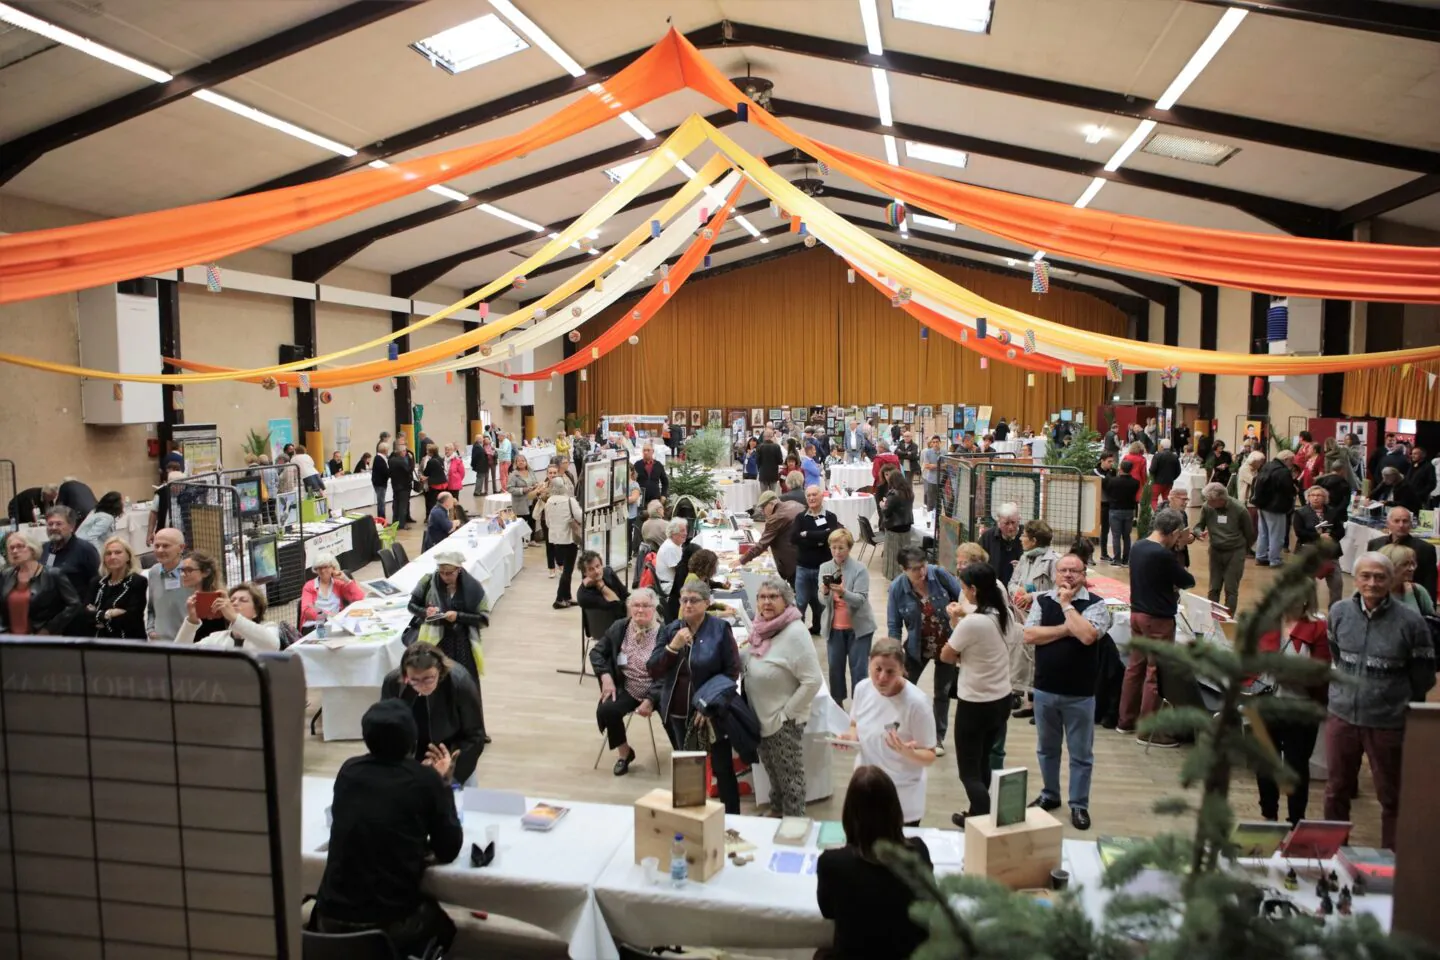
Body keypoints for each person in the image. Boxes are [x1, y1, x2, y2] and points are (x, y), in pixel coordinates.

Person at [311, 699, 463, 957]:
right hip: (388, 925)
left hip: (328, 920)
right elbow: (449, 848)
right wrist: (442, 785)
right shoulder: (425, 780)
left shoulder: (349, 770)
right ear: (412, 739)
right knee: (444, 927)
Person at [1323, 552, 1435, 848]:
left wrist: (1389, 698)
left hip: (1387, 722)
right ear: (1356, 578)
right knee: (1336, 791)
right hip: (1342, 716)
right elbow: (1336, 655)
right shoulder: (1339, 612)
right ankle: (1335, 857)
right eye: (1366, 576)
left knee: (1392, 795)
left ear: (1391, 580)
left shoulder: (1411, 622)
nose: (1372, 583)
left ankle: (1392, 862)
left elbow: (1423, 676)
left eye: (1380, 577)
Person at [1022, 553, 1111, 831]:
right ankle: (1050, 794)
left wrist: (1066, 606)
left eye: (1075, 571)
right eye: (1063, 571)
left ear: (1084, 575)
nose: (1068, 575)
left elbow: (1087, 636)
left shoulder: (1097, 605)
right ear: (1055, 574)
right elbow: (1029, 635)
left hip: (1080, 693)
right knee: (1047, 749)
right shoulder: (1041, 600)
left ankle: (1079, 805)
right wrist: (1066, 628)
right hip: (1045, 689)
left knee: (1081, 754)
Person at [816, 765, 933, 960]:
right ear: (895, 809)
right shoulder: (918, 851)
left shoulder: (832, 864)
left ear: (850, 814)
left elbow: (828, 911)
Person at [648, 580, 745, 813]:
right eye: (684, 600)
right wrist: (673, 646)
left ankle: (732, 818)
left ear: (706, 603)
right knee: (687, 766)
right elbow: (653, 668)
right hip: (679, 711)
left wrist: (708, 705)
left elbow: (731, 672)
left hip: (713, 711)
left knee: (722, 768)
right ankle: (690, 816)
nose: (688, 605)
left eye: (694, 600)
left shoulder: (719, 630)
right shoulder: (671, 629)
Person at [939, 562, 1017, 826]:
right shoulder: (1005, 614)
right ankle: (977, 812)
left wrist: (956, 624)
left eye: (964, 588)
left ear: (973, 590)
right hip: (1001, 700)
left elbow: (947, 655)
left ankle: (986, 821)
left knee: (968, 772)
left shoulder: (972, 623)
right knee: (983, 761)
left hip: (975, 703)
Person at [744, 577, 824, 817]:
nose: (766, 602)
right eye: (762, 597)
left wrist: (786, 715)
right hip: (762, 715)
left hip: (782, 721)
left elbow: (813, 680)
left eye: (773, 597)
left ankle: (793, 823)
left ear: (786, 601)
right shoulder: (762, 626)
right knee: (773, 771)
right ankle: (777, 812)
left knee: (790, 778)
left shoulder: (795, 632)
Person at [1117, 509, 1196, 744]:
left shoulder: (1139, 546)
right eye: (1178, 535)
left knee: (1134, 668)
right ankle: (1149, 731)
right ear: (1172, 533)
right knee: (1156, 674)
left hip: (1137, 614)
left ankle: (1126, 721)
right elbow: (1187, 581)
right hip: (1158, 619)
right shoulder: (1162, 555)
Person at [1254, 589, 1330, 826]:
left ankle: (1296, 820)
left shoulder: (1318, 628)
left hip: (1301, 707)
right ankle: (1268, 816)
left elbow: (1320, 674)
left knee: (1296, 767)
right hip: (1265, 703)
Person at [887, 547, 963, 754]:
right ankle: (897, 731)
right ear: (903, 569)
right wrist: (895, 657)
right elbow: (894, 625)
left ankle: (937, 738)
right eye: (915, 570)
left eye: (923, 567)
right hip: (916, 647)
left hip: (947, 644)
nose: (922, 573)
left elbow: (963, 600)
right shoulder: (896, 589)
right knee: (902, 688)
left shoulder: (939, 575)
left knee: (942, 692)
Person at [381, 641, 486, 784]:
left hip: (451, 758)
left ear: (440, 671)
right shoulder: (393, 683)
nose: (422, 686)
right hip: (410, 762)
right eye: (414, 680)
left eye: (428, 679)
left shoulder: (460, 682)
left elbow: (475, 735)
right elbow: (386, 728)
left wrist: (453, 766)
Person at [591, 588, 663, 776]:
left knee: (677, 715)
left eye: (645, 605)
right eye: (636, 605)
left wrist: (651, 700)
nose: (640, 610)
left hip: (658, 691)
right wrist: (605, 676)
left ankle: (686, 756)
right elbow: (596, 652)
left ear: (654, 608)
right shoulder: (620, 628)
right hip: (629, 688)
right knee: (607, 709)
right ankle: (624, 752)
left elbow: (669, 675)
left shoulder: (664, 633)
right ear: (629, 607)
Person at [406, 549, 489, 706]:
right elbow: (411, 605)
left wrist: (458, 616)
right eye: (441, 572)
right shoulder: (427, 582)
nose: (445, 577)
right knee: (438, 688)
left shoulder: (474, 588)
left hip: (463, 644)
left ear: (459, 569)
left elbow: (483, 619)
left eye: (449, 573)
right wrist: (426, 612)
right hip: (437, 644)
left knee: (465, 687)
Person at [818, 528, 875, 704]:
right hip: (834, 628)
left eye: (841, 548)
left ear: (849, 548)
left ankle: (860, 708)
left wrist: (843, 593)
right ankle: (837, 705)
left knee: (859, 670)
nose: (837, 552)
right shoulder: (824, 567)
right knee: (835, 669)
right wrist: (826, 593)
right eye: (833, 547)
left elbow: (860, 599)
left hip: (859, 628)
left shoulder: (860, 569)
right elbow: (821, 600)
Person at [0, 530, 82, 635]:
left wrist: (49, 629)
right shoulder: (6, 575)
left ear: (32, 549)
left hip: (41, 639)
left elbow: (74, 604)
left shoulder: (53, 574)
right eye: (11, 548)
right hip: (11, 640)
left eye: (20, 546)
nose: (15, 551)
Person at [1193, 481, 1255, 613]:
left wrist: (1243, 550)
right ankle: (1211, 618)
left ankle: (1228, 620)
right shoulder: (1207, 508)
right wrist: (1199, 533)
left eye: (1210, 500)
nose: (1207, 503)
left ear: (1221, 499)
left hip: (1235, 552)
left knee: (1231, 588)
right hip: (1215, 551)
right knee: (1214, 587)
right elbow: (1198, 526)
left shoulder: (1239, 509)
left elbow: (1250, 533)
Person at [40, 506, 100, 629]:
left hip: (76, 616)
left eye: (59, 524)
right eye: (50, 524)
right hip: (49, 617)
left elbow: (96, 581)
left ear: (72, 527)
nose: (53, 528)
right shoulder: (44, 549)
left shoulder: (85, 550)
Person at [790, 485, 839, 634]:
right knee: (800, 602)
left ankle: (821, 629)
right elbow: (794, 538)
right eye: (809, 495)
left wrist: (806, 534)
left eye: (814, 495)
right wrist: (819, 538)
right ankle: (799, 634)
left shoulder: (830, 517)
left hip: (823, 568)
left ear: (821, 496)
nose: (811, 498)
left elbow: (831, 538)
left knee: (822, 602)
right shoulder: (800, 518)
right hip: (803, 567)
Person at [176, 582, 281, 651]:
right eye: (232, 600)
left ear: (256, 612)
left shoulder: (269, 628)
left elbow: (273, 645)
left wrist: (234, 617)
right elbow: (178, 654)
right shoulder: (216, 638)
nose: (235, 603)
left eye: (243, 600)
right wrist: (191, 621)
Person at [1368, 506, 1438, 600]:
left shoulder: (1425, 549)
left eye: (1405, 521)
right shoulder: (1375, 544)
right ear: (1388, 524)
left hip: (1410, 599)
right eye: (1396, 521)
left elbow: (1430, 584)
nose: (1401, 525)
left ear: (1411, 524)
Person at [1294, 485, 1345, 609]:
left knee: (1337, 582)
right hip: (1308, 551)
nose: (1316, 498)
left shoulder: (1333, 512)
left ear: (1325, 498)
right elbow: (1299, 532)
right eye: (1313, 495)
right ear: (1308, 498)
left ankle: (1335, 609)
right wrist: (1318, 537)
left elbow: (1341, 531)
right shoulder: (1300, 512)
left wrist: (1331, 536)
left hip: (1330, 552)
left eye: (1319, 495)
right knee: (1308, 584)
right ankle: (1311, 610)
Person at [86, 536, 148, 639]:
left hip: (128, 643)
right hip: (99, 642)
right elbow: (83, 614)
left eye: (118, 552)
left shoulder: (138, 582)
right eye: (108, 553)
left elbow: (131, 618)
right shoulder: (96, 582)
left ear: (128, 556)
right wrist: (109, 614)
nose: (112, 557)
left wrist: (97, 615)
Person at [741, 490, 803, 584]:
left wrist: (742, 560)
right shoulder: (794, 504)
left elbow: (762, 545)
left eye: (763, 507)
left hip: (792, 563)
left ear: (771, 503)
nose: (762, 511)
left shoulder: (775, 518)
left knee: (796, 591)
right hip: (805, 557)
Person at [1250, 449, 1296, 567]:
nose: (1293, 463)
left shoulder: (1267, 466)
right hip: (1276, 507)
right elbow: (1288, 489)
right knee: (1277, 535)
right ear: (1286, 459)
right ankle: (1275, 560)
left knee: (1263, 533)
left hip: (1262, 505)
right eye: (1292, 460)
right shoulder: (1283, 471)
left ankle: (1260, 556)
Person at [543, 476, 583, 609]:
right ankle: (560, 598)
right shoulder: (569, 501)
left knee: (565, 569)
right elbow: (580, 517)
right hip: (569, 538)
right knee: (568, 570)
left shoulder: (548, 501)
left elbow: (548, 522)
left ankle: (567, 596)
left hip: (555, 539)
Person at [143, 527, 189, 640]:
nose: (160, 550)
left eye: (166, 546)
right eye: (157, 546)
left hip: (188, 642)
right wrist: (150, 629)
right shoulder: (153, 572)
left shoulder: (191, 573)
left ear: (181, 548)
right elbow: (151, 607)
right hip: (161, 644)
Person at [301, 551, 366, 627]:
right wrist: (329, 616)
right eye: (319, 568)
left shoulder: (339, 584)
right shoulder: (309, 586)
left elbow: (360, 598)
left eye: (325, 567)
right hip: (314, 625)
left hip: (335, 623)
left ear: (333, 568)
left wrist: (346, 580)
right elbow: (307, 610)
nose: (322, 571)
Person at [878, 468, 916, 582]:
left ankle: (895, 580)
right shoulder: (909, 492)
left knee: (893, 557)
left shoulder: (894, 494)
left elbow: (886, 511)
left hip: (894, 528)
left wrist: (882, 505)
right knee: (905, 556)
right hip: (906, 527)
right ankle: (906, 578)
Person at [1102, 460, 1140, 566]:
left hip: (1115, 510)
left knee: (1116, 536)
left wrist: (1109, 473)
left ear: (1120, 469)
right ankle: (1126, 559)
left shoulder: (1113, 481)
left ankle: (1117, 559)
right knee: (1126, 536)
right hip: (1129, 510)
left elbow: (1106, 486)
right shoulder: (1135, 483)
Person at [577, 549, 629, 627]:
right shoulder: (584, 595)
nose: (597, 571)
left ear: (601, 565)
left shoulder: (608, 573)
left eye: (598, 566)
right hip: (611, 628)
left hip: (625, 620)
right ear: (585, 573)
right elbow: (617, 606)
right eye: (591, 569)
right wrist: (602, 587)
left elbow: (626, 595)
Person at [1377, 543, 1434, 615]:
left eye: (1412, 564)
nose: (1411, 569)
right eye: (1405, 564)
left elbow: (1432, 622)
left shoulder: (1418, 591)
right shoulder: (1371, 591)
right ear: (1389, 566)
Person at [979, 502, 1024, 585]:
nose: (1010, 527)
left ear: (1019, 520)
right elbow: (979, 563)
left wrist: (1023, 567)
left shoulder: (1027, 536)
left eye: (1013, 522)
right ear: (998, 523)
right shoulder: (988, 537)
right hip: (994, 585)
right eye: (1006, 523)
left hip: (1020, 586)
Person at [654, 518, 689, 599]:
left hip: (672, 583)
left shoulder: (675, 544)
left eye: (686, 530)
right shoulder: (670, 548)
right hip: (669, 585)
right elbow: (680, 571)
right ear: (673, 533)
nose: (686, 533)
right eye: (682, 531)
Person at [1094, 452, 1116, 563]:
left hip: (1108, 504)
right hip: (1097, 504)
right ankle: (1088, 555)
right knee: (1091, 531)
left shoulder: (1112, 472)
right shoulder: (1095, 472)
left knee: (1105, 530)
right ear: (1102, 461)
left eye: (1112, 461)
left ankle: (1104, 553)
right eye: (1109, 461)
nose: (1111, 464)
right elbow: (1105, 484)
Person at [1148, 439, 1181, 509]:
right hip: (1169, 482)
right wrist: (1172, 477)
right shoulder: (1174, 456)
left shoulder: (1157, 456)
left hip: (1157, 481)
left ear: (1162, 446)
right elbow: (1178, 471)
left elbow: (1152, 469)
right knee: (1166, 499)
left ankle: (1157, 513)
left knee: (1153, 498)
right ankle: (1166, 513)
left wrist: (1152, 476)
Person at [755, 428, 785, 494]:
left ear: (764, 436)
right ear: (772, 436)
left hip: (763, 474)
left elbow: (757, 461)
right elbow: (780, 461)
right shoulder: (776, 447)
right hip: (773, 474)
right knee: (772, 495)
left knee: (764, 495)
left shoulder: (759, 447)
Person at [921, 435, 943, 513]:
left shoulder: (944, 452)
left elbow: (946, 465)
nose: (935, 444)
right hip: (931, 479)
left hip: (942, 479)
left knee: (939, 500)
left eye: (937, 442)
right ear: (931, 443)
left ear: (940, 442)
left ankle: (938, 516)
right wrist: (939, 465)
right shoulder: (928, 452)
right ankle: (929, 517)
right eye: (933, 442)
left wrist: (933, 466)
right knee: (930, 500)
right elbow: (927, 466)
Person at [369, 442, 391, 521]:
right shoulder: (379, 458)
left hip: (381, 483)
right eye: (387, 449)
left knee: (382, 501)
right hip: (379, 483)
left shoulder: (382, 458)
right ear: (384, 450)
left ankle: (382, 519)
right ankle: (382, 519)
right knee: (381, 502)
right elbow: (385, 472)